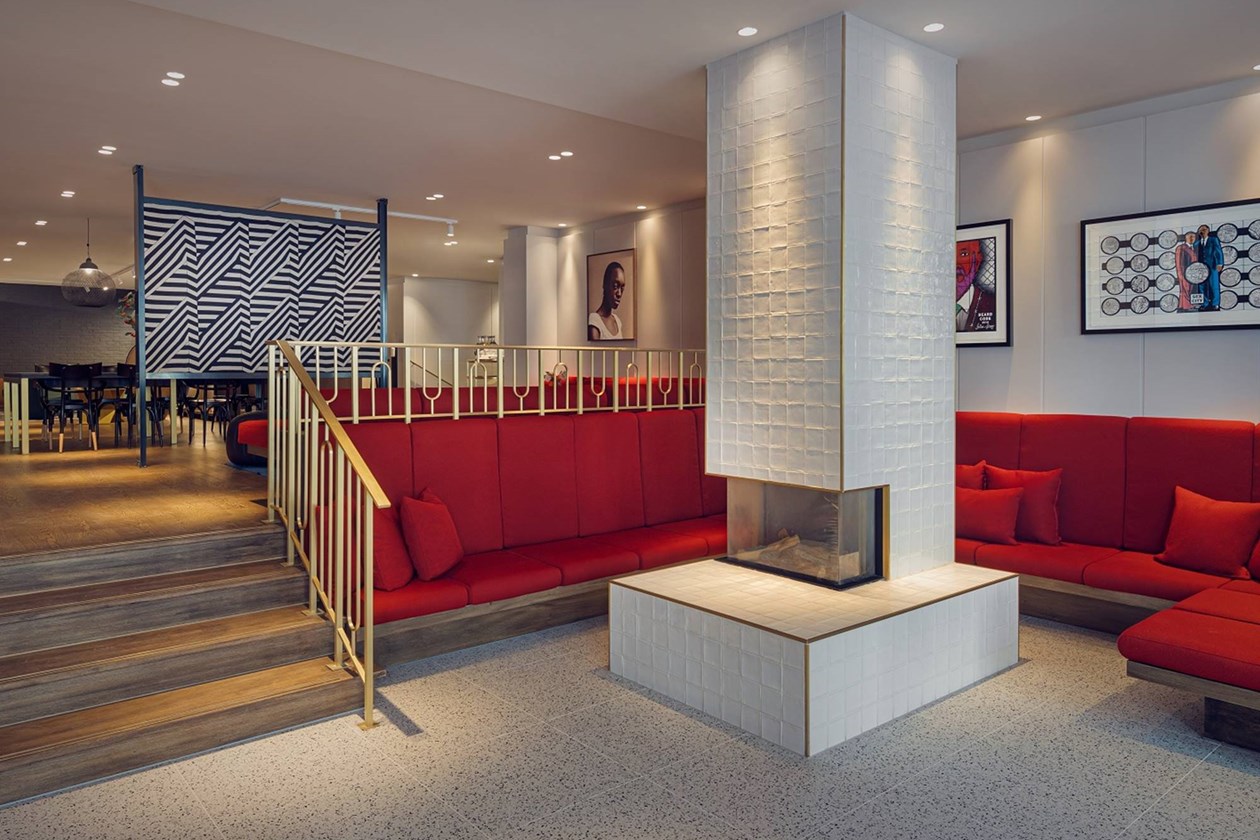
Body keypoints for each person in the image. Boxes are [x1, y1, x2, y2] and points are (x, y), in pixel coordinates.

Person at [588, 261, 626, 340]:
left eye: (622, 289)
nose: (619, 294)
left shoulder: (617, 321)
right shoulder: (594, 321)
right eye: (615, 286)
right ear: (605, 284)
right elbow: (595, 351)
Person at [1196, 224, 1223, 311]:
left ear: (1208, 231)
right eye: (1200, 230)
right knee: (1202, 286)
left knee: (1214, 285)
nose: (1202, 231)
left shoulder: (1213, 240)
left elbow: (1218, 251)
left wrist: (1220, 263)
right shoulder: (1197, 243)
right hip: (1201, 268)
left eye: (1204, 229)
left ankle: (1215, 304)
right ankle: (1205, 303)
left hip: (1212, 266)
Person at [1174, 230, 1197, 311]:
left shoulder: (1193, 248)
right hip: (1184, 273)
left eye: (1193, 237)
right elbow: (1178, 262)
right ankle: (1187, 306)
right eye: (1189, 237)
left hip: (1192, 273)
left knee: (1190, 289)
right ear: (1185, 238)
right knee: (1185, 289)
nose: (1191, 239)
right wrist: (1180, 274)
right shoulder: (1181, 248)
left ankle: (1183, 305)